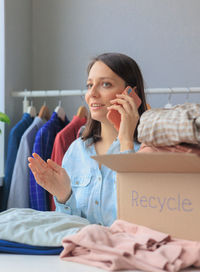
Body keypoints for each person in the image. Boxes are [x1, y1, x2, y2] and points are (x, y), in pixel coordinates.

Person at [28, 52, 147, 226]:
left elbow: (144, 216)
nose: (92, 93)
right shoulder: (76, 150)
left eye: (105, 84)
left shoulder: (149, 150)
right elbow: (67, 227)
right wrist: (64, 196)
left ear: (131, 93)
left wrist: (126, 142)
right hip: (81, 251)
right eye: (89, 85)